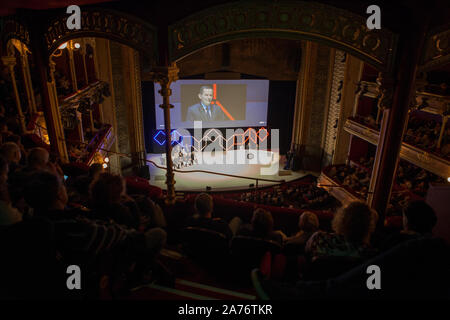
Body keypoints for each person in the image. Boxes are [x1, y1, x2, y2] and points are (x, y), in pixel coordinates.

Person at [305, 201, 378, 260]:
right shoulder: (371, 255)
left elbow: (307, 256)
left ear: (340, 220)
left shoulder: (319, 239)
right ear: (369, 227)